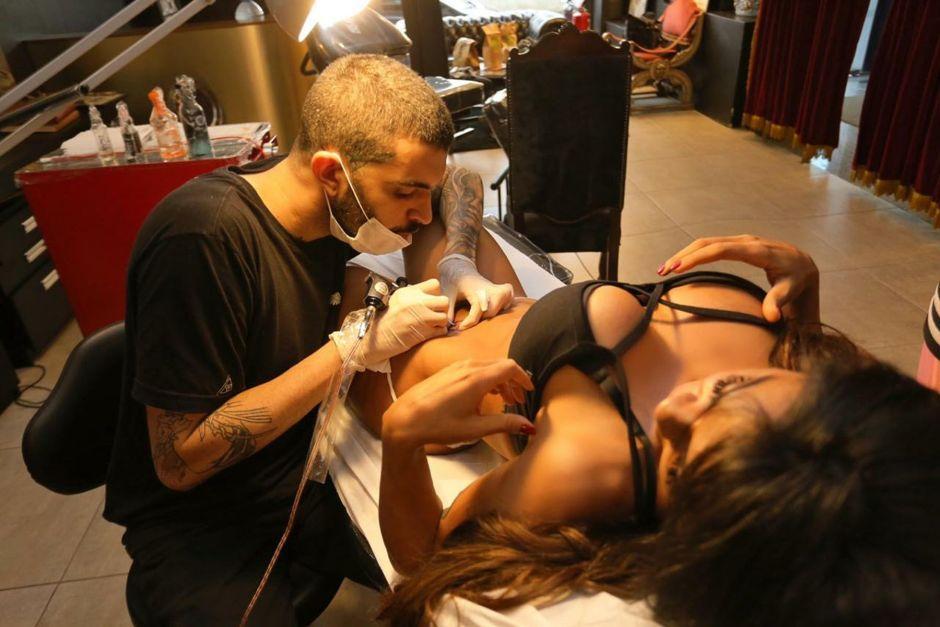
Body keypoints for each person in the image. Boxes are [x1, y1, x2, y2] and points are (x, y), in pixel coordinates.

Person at [340, 231, 939, 623]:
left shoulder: (585, 464)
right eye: (728, 388)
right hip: (504, 301)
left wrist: (402, 436)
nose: (673, 412)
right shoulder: (831, 411)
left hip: (408, 363)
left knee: (352, 267)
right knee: (441, 198)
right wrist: (805, 298)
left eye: (677, 465)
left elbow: (422, 556)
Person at [103, 54, 512, 626]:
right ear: (330, 173)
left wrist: (458, 260)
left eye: (426, 192)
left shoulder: (331, 201)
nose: (422, 213)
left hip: (307, 465)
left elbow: (460, 179)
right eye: (406, 194)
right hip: (202, 516)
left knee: (478, 572)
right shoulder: (202, 240)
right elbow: (180, 461)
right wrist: (351, 348)